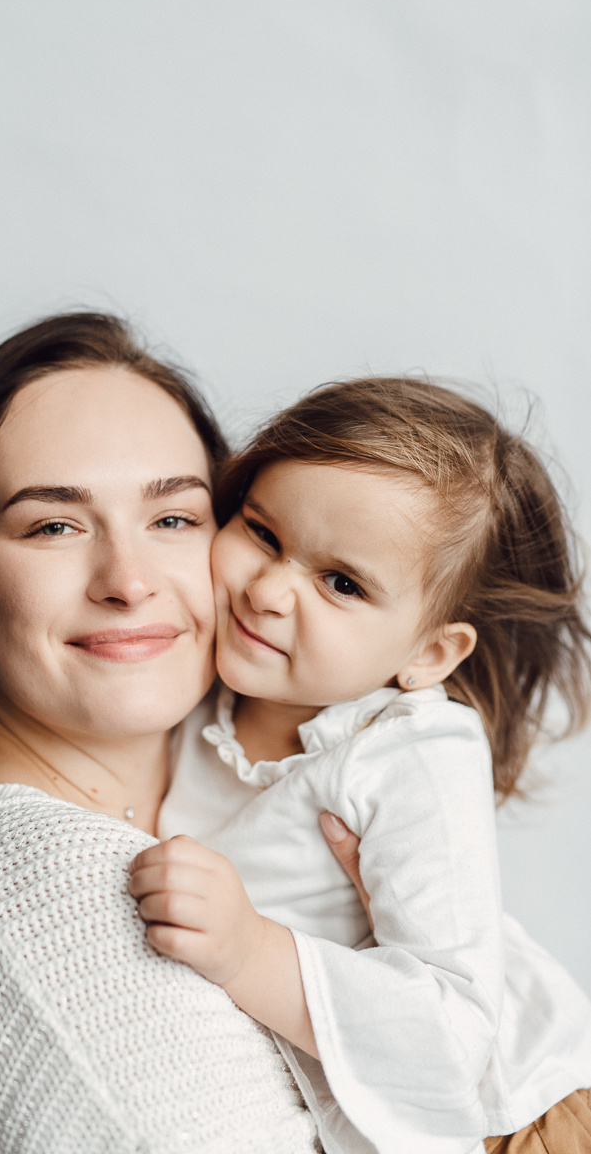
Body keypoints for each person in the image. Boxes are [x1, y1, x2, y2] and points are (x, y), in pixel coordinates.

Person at [0, 314, 320, 1154]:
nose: (128, 580)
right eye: (53, 525)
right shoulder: (42, 901)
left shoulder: (247, 829)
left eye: (174, 519)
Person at [132, 377, 591, 1154]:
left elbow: (454, 1039)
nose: (269, 591)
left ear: (428, 654)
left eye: (341, 583)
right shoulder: (187, 689)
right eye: (262, 533)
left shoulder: (410, 755)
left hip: (515, 1121)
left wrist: (252, 952)